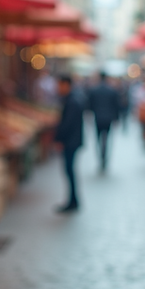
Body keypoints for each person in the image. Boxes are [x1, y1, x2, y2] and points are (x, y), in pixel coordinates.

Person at [54, 75, 85, 213]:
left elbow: (68, 124)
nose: (58, 88)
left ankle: (73, 201)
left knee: (69, 170)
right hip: (73, 141)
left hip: (70, 142)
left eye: (60, 85)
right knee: (69, 170)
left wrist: (59, 139)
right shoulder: (72, 99)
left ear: (66, 85)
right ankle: (73, 200)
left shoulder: (72, 101)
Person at [86, 72, 121, 172]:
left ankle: (101, 156)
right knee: (106, 138)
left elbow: (89, 105)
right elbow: (116, 106)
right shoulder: (111, 90)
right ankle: (104, 156)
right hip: (108, 118)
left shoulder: (94, 90)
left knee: (98, 139)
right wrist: (117, 119)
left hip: (98, 118)